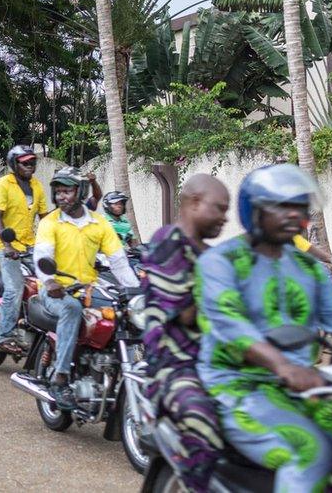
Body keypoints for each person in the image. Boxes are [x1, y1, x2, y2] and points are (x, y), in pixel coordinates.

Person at [195, 164, 332, 492]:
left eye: (299, 206)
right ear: (255, 210)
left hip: (309, 388)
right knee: (308, 451)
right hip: (238, 387)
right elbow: (229, 325)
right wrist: (283, 366)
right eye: (282, 206)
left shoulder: (308, 267)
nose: (293, 214)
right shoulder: (221, 261)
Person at [140, 174, 229, 492]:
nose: (225, 217)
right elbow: (189, 313)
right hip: (175, 366)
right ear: (194, 203)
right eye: (219, 208)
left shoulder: (210, 254)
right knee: (202, 427)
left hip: (217, 363)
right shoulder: (168, 241)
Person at [33, 166, 140, 409]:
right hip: (57, 290)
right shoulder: (50, 222)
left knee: (125, 314)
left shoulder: (99, 223)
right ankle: (60, 378)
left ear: (80, 191)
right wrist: (49, 282)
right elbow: (42, 256)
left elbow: (119, 262)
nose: (62, 197)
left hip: (89, 288)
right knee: (71, 309)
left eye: (67, 191)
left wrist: (136, 293)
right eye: (58, 192)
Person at [0, 145, 49, 351]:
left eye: (32, 162)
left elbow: (45, 217)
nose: (30, 166)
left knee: (47, 282)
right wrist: (7, 245)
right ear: (14, 164)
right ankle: (4, 335)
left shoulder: (37, 186)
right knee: (15, 287)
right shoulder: (2, 185)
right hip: (6, 244)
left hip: (29, 243)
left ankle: (32, 325)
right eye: (25, 162)